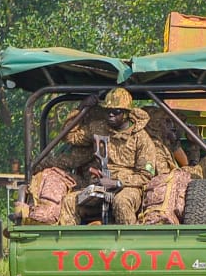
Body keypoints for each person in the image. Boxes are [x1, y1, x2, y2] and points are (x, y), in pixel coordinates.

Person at [58, 88, 157, 225]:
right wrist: (81, 108)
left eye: (116, 112)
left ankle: (128, 243)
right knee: (70, 201)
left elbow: (146, 176)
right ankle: (72, 244)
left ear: (127, 113)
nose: (110, 115)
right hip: (100, 185)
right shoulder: (98, 128)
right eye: (107, 111)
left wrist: (116, 182)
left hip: (128, 187)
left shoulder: (140, 138)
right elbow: (69, 136)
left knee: (121, 202)